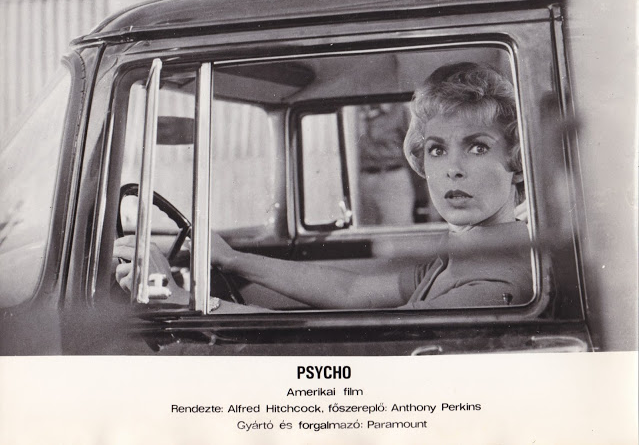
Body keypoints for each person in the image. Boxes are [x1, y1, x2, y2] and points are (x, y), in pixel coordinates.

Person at [113, 62, 533, 310]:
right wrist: (234, 259)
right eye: (437, 149)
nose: (452, 169)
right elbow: (353, 290)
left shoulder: (497, 279)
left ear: (517, 162)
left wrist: (175, 298)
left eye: (478, 147)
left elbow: (365, 353)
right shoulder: (465, 249)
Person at [356, 102, 415, 225]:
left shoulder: (400, 110)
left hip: (392, 176)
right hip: (365, 179)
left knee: (398, 229)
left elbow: (415, 148)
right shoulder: (356, 110)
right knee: (366, 229)